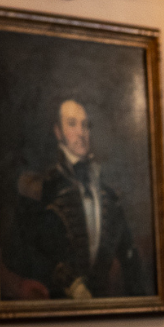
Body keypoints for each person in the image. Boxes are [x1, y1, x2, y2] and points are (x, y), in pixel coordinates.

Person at [13, 99, 143, 300]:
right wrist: (68, 283)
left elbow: (128, 255)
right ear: (58, 132)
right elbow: (27, 253)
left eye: (85, 125)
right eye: (72, 124)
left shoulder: (108, 194)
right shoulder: (41, 188)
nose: (81, 132)